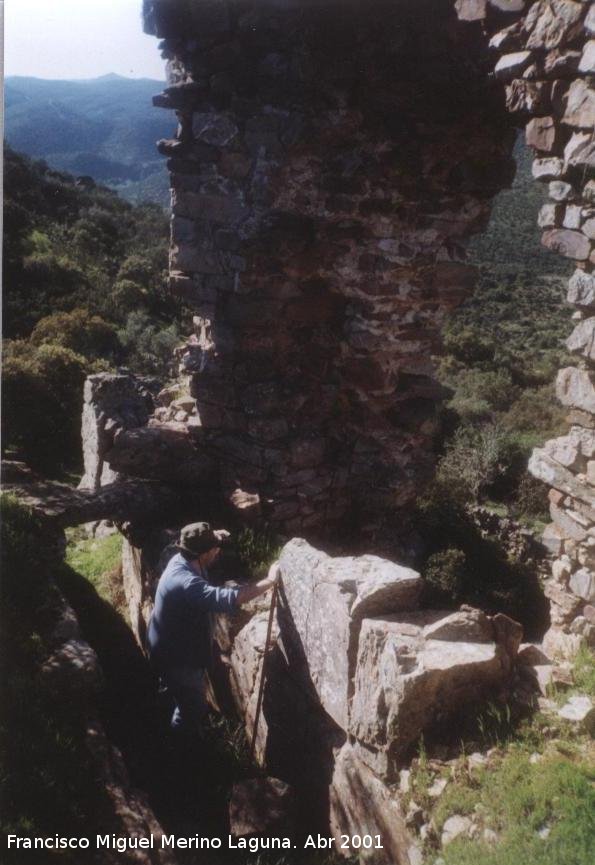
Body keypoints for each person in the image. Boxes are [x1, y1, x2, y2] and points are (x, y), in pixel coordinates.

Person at [147, 521, 279, 739]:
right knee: (192, 707)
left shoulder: (181, 560)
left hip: (164, 643)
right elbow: (228, 597)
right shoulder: (187, 583)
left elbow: (196, 546)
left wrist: (213, 536)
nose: (218, 550)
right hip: (177, 658)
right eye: (214, 548)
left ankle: (166, 714)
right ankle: (181, 744)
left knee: (172, 691)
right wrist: (270, 580)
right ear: (202, 553)